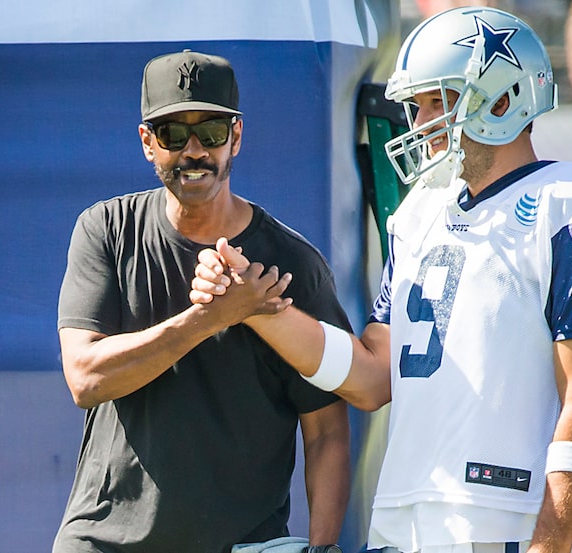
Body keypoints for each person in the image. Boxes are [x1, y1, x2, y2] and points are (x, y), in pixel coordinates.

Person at [190, 7, 572, 553]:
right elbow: (371, 377)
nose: (420, 123)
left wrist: (551, 544)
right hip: (402, 524)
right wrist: (258, 308)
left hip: (503, 525)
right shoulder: (419, 214)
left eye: (439, 101)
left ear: (504, 99)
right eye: (415, 107)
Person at [52, 49, 351, 553]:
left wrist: (322, 548)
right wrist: (209, 319)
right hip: (103, 542)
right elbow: (85, 378)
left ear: (236, 136)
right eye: (173, 134)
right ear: (148, 143)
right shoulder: (106, 230)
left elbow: (326, 429)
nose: (194, 152)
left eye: (210, 132)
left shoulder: (295, 263)